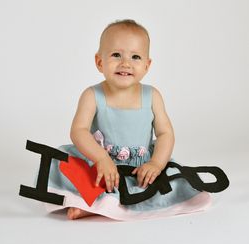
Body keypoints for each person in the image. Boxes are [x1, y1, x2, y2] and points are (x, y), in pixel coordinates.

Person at [47, 19, 211, 221]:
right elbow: (78, 131)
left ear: (147, 65)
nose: (125, 63)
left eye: (135, 57)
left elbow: (165, 133)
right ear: (100, 62)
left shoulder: (152, 96)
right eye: (116, 55)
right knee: (62, 162)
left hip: (140, 168)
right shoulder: (92, 95)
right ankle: (93, 202)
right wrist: (101, 158)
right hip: (100, 165)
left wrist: (156, 164)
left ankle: (97, 204)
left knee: (160, 183)